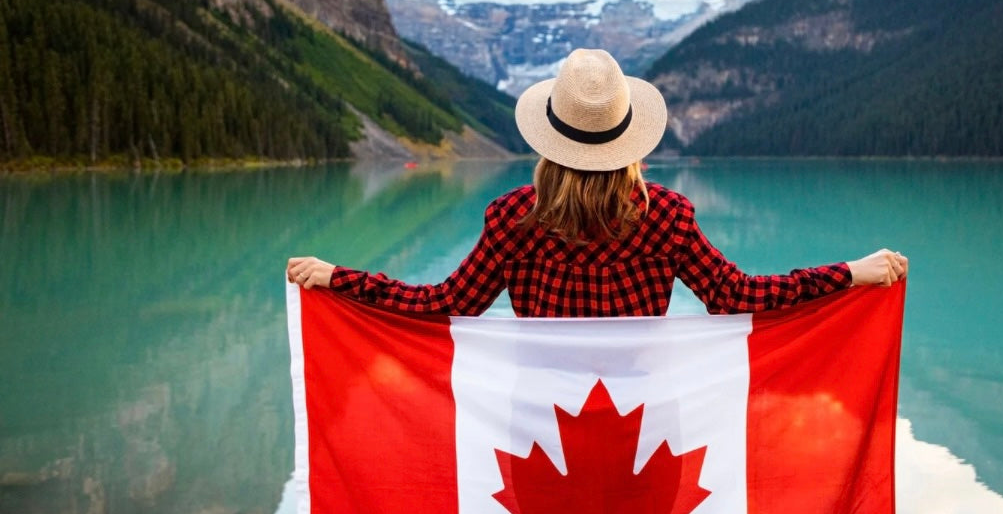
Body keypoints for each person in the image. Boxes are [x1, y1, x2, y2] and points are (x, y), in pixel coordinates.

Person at [287, 48, 906, 315]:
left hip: (540, 424)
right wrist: (852, 273)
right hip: (645, 420)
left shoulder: (512, 218)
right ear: (629, 140)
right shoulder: (667, 215)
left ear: (548, 138)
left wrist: (340, 279)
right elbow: (738, 296)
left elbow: (444, 305)